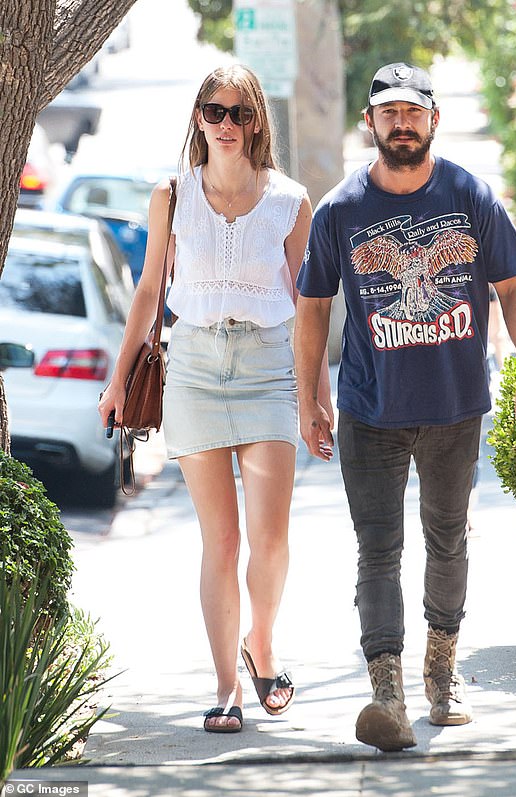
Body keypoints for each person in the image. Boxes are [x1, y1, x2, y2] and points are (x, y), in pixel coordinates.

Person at [294, 62, 516, 752]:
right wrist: (310, 396)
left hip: (453, 406)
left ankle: (441, 670)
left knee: (447, 541)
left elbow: (515, 289)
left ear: (433, 119)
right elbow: (313, 307)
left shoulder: (470, 195)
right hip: (370, 410)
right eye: (389, 112)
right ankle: (388, 693)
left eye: (413, 112)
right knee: (377, 548)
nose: (401, 124)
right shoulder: (339, 211)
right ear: (370, 122)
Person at [99, 63, 329, 734]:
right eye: (213, 111)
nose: (226, 124)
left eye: (239, 112)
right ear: (198, 118)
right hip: (196, 366)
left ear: (257, 121)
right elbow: (148, 290)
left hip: (267, 369)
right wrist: (118, 380)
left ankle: (262, 639)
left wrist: (315, 392)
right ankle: (227, 685)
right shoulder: (170, 195)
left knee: (271, 538)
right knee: (221, 541)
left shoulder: (290, 200)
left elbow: (310, 303)